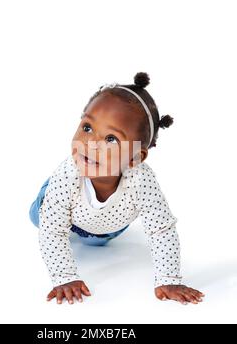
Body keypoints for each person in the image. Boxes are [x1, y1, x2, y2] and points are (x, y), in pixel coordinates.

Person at [29, 72, 205, 305]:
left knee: (97, 243)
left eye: (111, 139)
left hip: (106, 228)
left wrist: (168, 278)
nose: (90, 143)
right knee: (40, 219)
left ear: (135, 157)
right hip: (62, 205)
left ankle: (92, 231)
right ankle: (46, 200)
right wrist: (65, 277)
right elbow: (52, 231)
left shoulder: (141, 180)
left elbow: (161, 230)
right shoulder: (69, 173)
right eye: (87, 127)